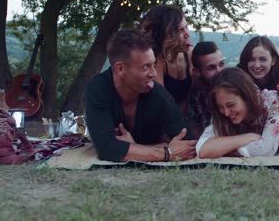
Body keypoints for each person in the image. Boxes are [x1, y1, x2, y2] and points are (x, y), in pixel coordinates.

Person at [84, 29, 197, 162]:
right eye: (145, 67)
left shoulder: (157, 93)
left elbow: (187, 143)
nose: (154, 74)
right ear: (120, 69)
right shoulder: (98, 89)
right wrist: (167, 153)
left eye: (154, 65)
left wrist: (134, 148)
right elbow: (106, 149)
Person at [196, 67, 279, 158]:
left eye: (231, 105)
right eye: (220, 107)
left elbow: (267, 150)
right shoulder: (221, 111)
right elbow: (202, 149)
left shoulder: (271, 102)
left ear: (247, 97)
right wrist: (248, 137)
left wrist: (222, 149)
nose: (226, 113)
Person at [139, 5, 193, 113]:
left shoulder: (189, 54)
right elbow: (161, 103)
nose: (187, 34)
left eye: (186, 27)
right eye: (180, 30)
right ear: (166, 34)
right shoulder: (156, 61)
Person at [188, 41, 226, 137]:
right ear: (197, 72)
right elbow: (207, 131)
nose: (219, 71)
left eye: (221, 64)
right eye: (211, 68)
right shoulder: (198, 95)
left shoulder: (238, 82)